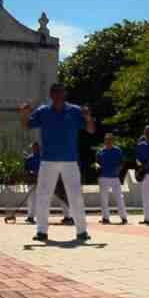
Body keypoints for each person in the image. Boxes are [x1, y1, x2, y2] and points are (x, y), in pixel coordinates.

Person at [20, 83, 95, 243]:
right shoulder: (43, 111)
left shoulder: (75, 111)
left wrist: (88, 118)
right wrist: (24, 114)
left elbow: (90, 130)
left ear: (64, 94)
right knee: (43, 196)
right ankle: (41, 232)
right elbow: (26, 125)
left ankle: (82, 232)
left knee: (75, 196)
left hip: (70, 160)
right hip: (48, 160)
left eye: (60, 92)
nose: (57, 95)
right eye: (54, 92)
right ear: (50, 95)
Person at [24, 142, 70, 224]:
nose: (35, 149)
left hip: (47, 181)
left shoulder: (45, 157)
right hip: (33, 181)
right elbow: (26, 170)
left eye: (36, 147)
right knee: (31, 199)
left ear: (39, 148)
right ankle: (30, 217)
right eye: (33, 147)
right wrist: (31, 174)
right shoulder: (29, 158)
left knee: (60, 197)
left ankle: (68, 216)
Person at [95, 132, 128, 224]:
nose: (108, 141)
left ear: (112, 140)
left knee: (119, 198)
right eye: (107, 139)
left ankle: (124, 218)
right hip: (103, 177)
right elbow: (97, 162)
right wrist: (97, 165)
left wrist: (119, 169)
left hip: (115, 178)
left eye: (110, 139)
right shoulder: (100, 151)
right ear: (104, 141)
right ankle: (105, 218)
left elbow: (122, 163)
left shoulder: (117, 150)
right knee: (104, 198)